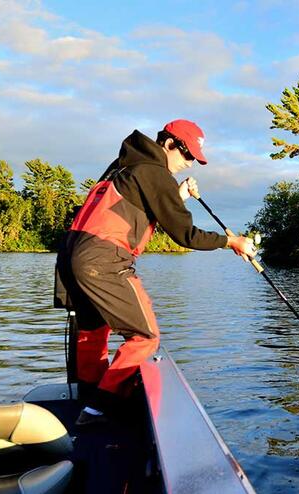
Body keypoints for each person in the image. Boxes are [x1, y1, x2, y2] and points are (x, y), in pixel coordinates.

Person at [55, 119, 256, 425]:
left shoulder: (125, 165)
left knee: (93, 333)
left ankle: (89, 400)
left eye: (194, 161)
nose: (189, 164)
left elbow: (140, 204)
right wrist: (232, 241)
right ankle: (101, 409)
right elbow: (185, 235)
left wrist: (178, 195)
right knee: (145, 336)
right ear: (170, 144)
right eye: (187, 157)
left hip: (72, 256)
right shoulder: (155, 172)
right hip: (104, 260)